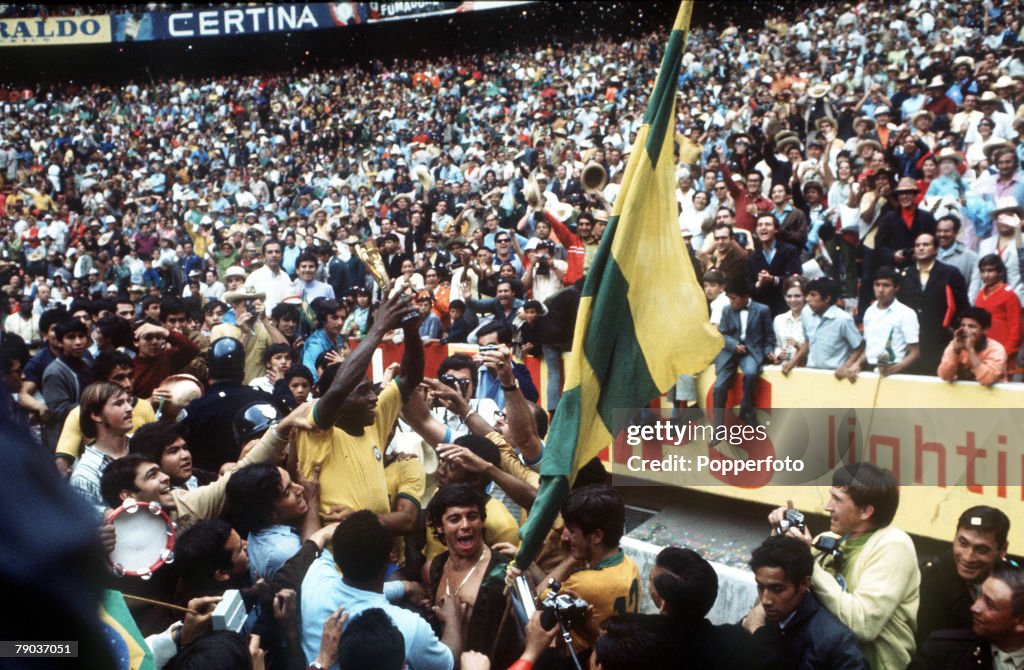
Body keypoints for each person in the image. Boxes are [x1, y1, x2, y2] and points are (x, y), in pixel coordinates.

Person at [769, 463, 920, 670]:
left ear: (866, 511)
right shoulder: (825, 540)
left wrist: (808, 561)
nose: (827, 506)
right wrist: (779, 541)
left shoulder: (894, 545)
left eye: (837, 500)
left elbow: (862, 625)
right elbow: (775, 599)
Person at [294, 290, 423, 526]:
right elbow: (339, 388)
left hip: (377, 552)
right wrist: (378, 328)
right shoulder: (315, 431)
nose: (374, 397)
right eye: (363, 392)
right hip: (333, 556)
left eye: (372, 389)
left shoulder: (371, 420)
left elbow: (409, 378)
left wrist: (411, 331)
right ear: (338, 403)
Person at [300, 510, 459, 670]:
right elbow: (448, 662)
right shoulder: (408, 627)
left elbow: (311, 546)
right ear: (390, 558)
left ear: (337, 559)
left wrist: (405, 587)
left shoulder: (314, 580)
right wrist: (453, 620)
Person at [426, 484, 518, 668]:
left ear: (482, 521)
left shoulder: (505, 573)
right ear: (440, 527)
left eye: (472, 516)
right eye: (454, 519)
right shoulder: (434, 567)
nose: (466, 525)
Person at [539, 484, 640, 652]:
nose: (565, 536)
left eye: (572, 531)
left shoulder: (584, 584)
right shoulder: (629, 564)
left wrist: (571, 558)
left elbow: (538, 596)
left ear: (597, 536)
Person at [743, 535, 868, 670]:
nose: (766, 600)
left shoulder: (836, 642)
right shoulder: (758, 619)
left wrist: (759, 635)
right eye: (761, 587)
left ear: (804, 584)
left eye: (777, 589)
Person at [177, 337, 277, 472]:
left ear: (208, 372)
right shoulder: (268, 400)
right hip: (267, 481)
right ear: (243, 373)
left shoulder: (195, 410)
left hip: (211, 487)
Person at [917, 506, 1011, 645]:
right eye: (963, 543)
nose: (968, 557)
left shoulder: (1012, 583)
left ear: (1002, 550)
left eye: (981, 549)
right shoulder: (930, 580)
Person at [911, 561, 1024, 670]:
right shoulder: (942, 650)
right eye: (980, 595)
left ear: (1021, 622)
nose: (974, 607)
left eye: (990, 604)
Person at [899, 232, 970, 375]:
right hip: (912, 340)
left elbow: (962, 306)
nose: (921, 248)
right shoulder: (905, 274)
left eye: (926, 244)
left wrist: (953, 329)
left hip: (940, 339)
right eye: (918, 245)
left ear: (936, 249)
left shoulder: (950, 273)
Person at [712, 279, 775, 427]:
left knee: (751, 373)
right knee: (719, 386)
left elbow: (769, 337)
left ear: (746, 297)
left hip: (751, 351)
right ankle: (717, 424)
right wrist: (734, 345)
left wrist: (769, 351)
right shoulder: (727, 310)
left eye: (734, 298)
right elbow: (722, 334)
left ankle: (746, 410)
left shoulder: (762, 310)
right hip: (730, 352)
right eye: (729, 298)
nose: (731, 302)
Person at [69, 381, 134, 514]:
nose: (129, 408)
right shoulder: (84, 476)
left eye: (128, 401)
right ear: (96, 415)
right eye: (119, 403)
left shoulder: (142, 444)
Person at [785, 278, 864, 380]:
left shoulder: (843, 319)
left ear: (827, 298)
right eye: (807, 294)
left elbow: (859, 346)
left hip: (834, 375)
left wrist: (846, 366)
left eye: (813, 295)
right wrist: (793, 361)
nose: (807, 299)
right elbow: (808, 341)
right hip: (811, 372)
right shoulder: (806, 313)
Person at [856, 266, 921, 375]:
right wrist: (857, 364)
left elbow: (915, 353)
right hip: (869, 369)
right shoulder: (869, 311)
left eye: (886, 285)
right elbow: (869, 347)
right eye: (877, 285)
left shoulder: (906, 313)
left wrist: (892, 370)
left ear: (896, 288)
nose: (881, 290)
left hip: (895, 371)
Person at [41, 318, 95, 449]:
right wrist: (97, 406)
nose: (78, 342)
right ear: (60, 342)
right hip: (66, 437)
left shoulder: (87, 363)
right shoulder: (54, 372)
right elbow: (59, 410)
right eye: (71, 337)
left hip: (89, 430)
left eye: (81, 336)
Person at [747, 212, 801, 316]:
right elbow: (750, 287)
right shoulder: (752, 257)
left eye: (767, 224)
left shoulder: (789, 251)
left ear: (776, 229)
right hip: (761, 310)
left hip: (785, 306)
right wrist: (759, 284)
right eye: (760, 225)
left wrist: (773, 280)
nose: (763, 228)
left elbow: (795, 277)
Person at [937, 307, 1008, 386]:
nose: (966, 330)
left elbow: (987, 380)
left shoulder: (996, 349)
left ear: (985, 329)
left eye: (972, 326)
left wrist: (970, 350)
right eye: (963, 325)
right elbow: (945, 376)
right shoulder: (955, 344)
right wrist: (955, 351)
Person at [973, 254, 1021, 365]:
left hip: (1002, 352)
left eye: (990, 271)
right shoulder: (980, 294)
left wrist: (1006, 352)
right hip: (982, 351)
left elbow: (1016, 329)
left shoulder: (1009, 295)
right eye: (983, 271)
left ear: (1001, 272)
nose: (986, 275)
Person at [301, 298, 348, 381]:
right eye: (335, 318)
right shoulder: (315, 345)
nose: (340, 322)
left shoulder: (338, 338)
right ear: (323, 319)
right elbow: (312, 379)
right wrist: (343, 364)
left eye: (343, 318)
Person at [244, 239, 294, 315]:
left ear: (281, 254)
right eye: (270, 252)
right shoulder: (253, 277)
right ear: (264, 256)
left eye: (277, 252)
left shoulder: (286, 277)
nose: (274, 255)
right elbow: (247, 302)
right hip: (261, 322)